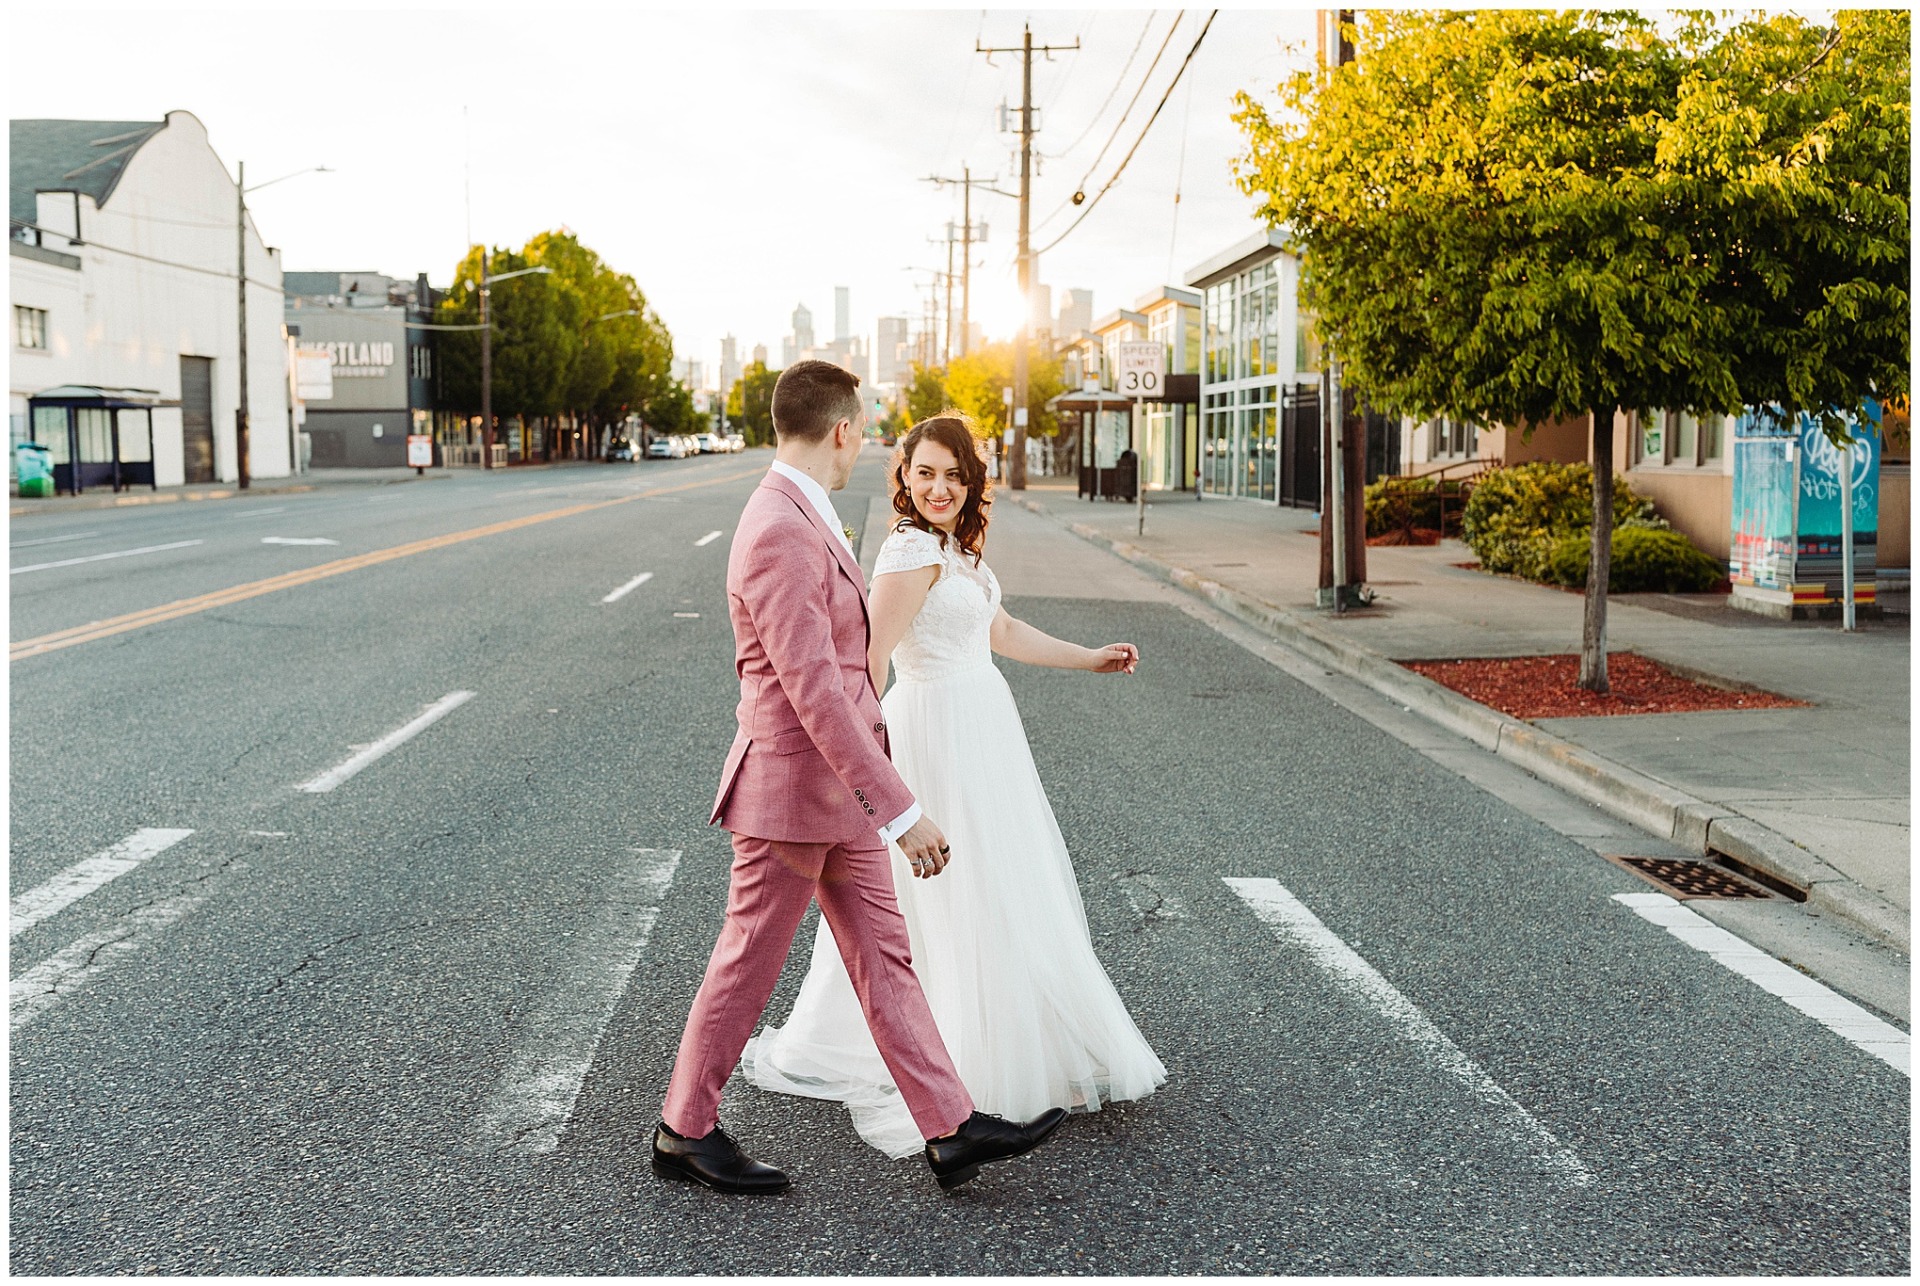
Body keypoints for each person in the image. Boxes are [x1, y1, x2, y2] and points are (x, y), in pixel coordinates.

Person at [653, 363, 1068, 1195]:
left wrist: (875, 801)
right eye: (865, 426)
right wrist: (902, 809)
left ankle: (949, 1127)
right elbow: (816, 690)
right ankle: (684, 1130)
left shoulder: (807, 512)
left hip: (835, 795)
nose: (865, 440)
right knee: (746, 961)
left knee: (886, 957)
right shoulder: (778, 525)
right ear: (843, 429)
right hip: (790, 793)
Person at [741, 410, 1166, 1158]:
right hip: (931, 731)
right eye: (925, 472)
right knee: (950, 898)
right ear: (903, 476)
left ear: (973, 483)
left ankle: (1025, 1046)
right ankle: (964, 1070)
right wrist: (867, 775)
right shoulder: (907, 551)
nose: (939, 487)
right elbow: (865, 665)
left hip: (984, 728)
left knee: (1003, 885)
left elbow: (998, 633)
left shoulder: (954, 549)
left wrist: (1089, 658)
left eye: (954, 474)